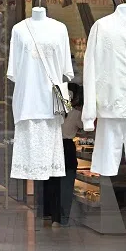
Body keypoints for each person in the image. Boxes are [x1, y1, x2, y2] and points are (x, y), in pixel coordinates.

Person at [44, 82, 83, 226]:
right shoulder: (76, 113)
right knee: (66, 184)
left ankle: (53, 215)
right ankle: (63, 216)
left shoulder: (53, 111)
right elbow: (84, 127)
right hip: (67, 147)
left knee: (53, 183)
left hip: (54, 146)